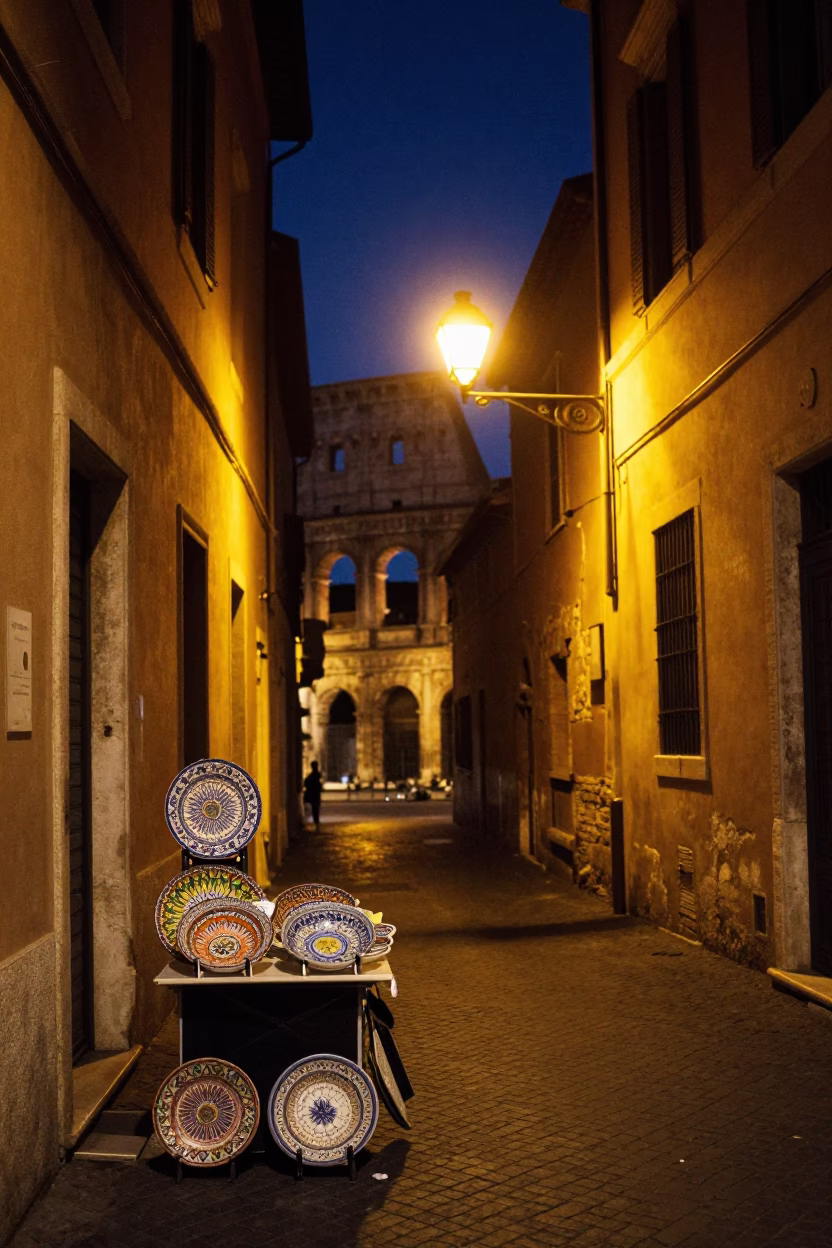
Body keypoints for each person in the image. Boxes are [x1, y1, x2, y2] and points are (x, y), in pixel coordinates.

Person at [303, 760, 323, 830]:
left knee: (315, 809)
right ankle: (316, 822)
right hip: (315, 795)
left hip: (314, 795)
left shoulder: (313, 775)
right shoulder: (317, 775)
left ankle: (316, 822)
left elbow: (306, 782)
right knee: (315, 809)